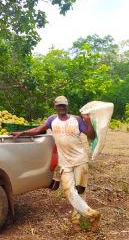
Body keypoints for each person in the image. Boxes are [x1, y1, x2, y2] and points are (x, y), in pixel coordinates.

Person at [10, 96, 101, 232]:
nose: (61, 108)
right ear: (55, 106)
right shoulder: (52, 119)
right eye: (59, 105)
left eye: (64, 105)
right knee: (69, 190)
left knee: (80, 190)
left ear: (67, 106)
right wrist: (22, 133)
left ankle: (76, 220)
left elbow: (91, 136)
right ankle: (92, 214)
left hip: (80, 161)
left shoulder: (76, 120)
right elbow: (39, 130)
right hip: (64, 163)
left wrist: (87, 121)